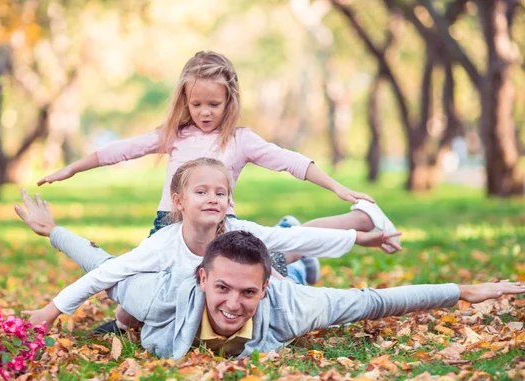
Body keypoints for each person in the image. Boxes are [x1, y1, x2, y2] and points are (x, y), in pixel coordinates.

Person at [35, 50, 400, 282]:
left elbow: (291, 162)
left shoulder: (240, 140)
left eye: (214, 104)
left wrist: (338, 187)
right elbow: (120, 150)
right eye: (197, 104)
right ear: (185, 101)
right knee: (140, 283)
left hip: (221, 225)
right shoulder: (173, 135)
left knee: (275, 260)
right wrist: (71, 169)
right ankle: (303, 263)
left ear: (230, 100)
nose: (205, 112)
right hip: (170, 225)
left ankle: (359, 218)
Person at [16, 204, 525, 359]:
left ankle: (289, 247)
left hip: (291, 275)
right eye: (221, 288)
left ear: (263, 289)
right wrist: (54, 231)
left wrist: (463, 291)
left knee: (296, 257)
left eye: (246, 292)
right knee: (282, 242)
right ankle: (284, 239)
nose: (233, 304)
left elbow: (375, 302)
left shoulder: (293, 304)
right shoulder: (159, 296)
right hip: (255, 262)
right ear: (201, 278)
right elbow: (103, 266)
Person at [16, 158, 402, 334]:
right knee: (290, 264)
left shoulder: (235, 228)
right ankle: (302, 270)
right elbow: (104, 272)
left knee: (285, 260)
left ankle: (303, 267)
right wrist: (51, 311)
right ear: (178, 201)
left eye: (220, 192)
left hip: (255, 281)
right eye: (201, 191)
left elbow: (298, 239)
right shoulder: (163, 245)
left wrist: (358, 238)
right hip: (217, 293)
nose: (212, 197)